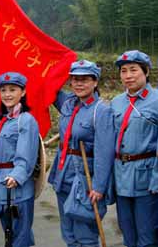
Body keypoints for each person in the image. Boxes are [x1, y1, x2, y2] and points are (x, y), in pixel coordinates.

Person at [48, 60, 115, 247]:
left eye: (84, 79)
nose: (79, 83)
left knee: (85, 234)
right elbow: (48, 86)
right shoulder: (68, 103)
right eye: (75, 79)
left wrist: (99, 187)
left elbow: (105, 152)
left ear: (95, 82)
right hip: (62, 175)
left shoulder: (101, 111)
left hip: (86, 178)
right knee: (68, 233)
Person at [0, 72, 39, 247]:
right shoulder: (0, 121)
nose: (7, 94)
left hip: (16, 187)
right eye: (3, 90)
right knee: (9, 234)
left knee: (20, 236)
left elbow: (26, 155)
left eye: (13, 90)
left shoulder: (25, 120)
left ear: (23, 92)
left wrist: (17, 176)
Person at [111, 50, 158, 247]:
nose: (128, 76)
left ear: (146, 71)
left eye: (133, 70)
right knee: (127, 232)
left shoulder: (156, 100)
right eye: (123, 71)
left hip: (147, 178)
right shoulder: (116, 102)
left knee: (147, 236)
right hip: (122, 177)